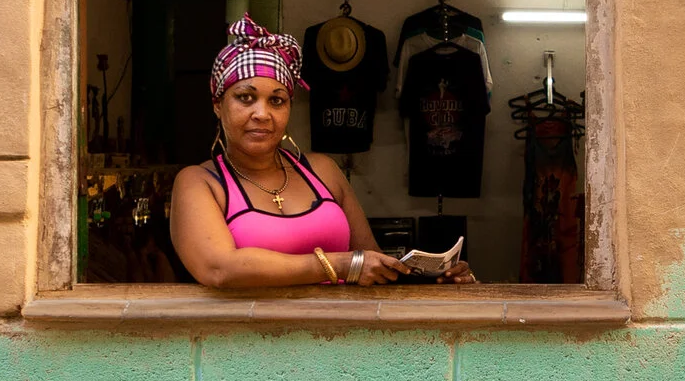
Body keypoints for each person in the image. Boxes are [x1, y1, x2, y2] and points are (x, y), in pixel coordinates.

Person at [169, 15, 474, 290]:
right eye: (245, 98)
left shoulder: (321, 170)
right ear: (218, 104)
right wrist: (341, 264)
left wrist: (434, 278)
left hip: (342, 332)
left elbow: (372, 260)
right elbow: (220, 269)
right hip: (251, 334)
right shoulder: (200, 182)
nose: (262, 114)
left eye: (277, 101)